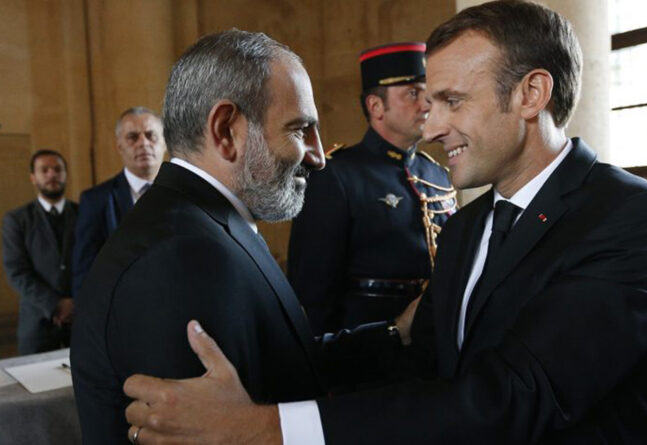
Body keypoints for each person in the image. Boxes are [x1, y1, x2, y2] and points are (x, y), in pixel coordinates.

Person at [123, 2, 647, 444]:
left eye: (452, 101)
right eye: (427, 101)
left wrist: (264, 429)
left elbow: (514, 398)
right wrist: (257, 371)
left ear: (531, 94)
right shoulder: (470, 226)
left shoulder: (639, 220)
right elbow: (420, 358)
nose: (432, 127)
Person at [70, 30, 411, 444]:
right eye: (300, 129)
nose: (319, 156)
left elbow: (281, 361)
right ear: (226, 130)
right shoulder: (181, 257)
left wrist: (396, 334)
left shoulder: (208, 223)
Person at [288, 41, 456, 334]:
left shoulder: (437, 173)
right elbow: (313, 292)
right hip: (369, 347)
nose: (426, 104)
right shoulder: (336, 175)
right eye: (412, 93)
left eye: (427, 93)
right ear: (376, 106)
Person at [70, 107, 166, 297]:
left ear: (164, 143)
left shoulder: (187, 193)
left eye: (151, 135)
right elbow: (85, 271)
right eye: (132, 137)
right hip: (123, 307)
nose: (143, 143)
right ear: (120, 147)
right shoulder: (95, 200)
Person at [2, 149, 77, 354]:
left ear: (66, 175)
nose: (52, 174)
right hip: (37, 324)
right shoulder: (16, 220)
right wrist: (56, 305)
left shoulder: (83, 213)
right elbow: (17, 271)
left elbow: (93, 263)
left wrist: (76, 303)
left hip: (80, 320)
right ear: (33, 178)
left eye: (58, 169)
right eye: (44, 170)